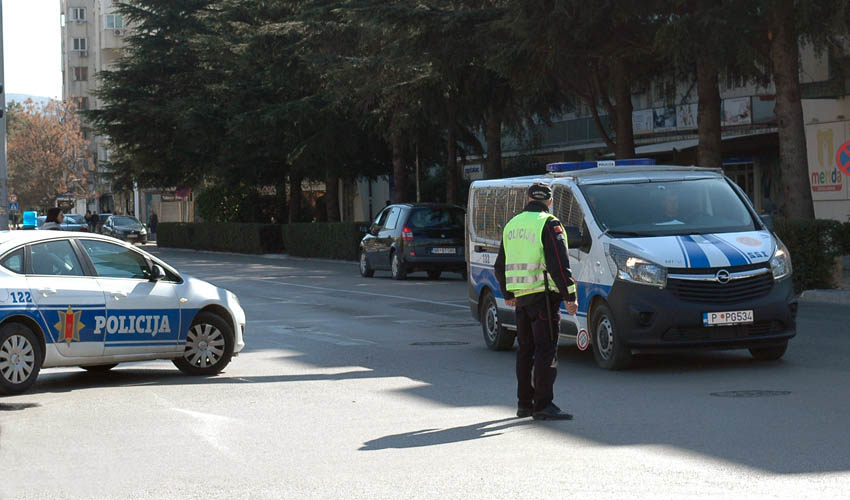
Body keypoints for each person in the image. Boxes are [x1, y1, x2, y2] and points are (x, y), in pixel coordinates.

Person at [495, 183, 578, 421]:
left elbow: (499, 266)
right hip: (543, 298)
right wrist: (570, 296)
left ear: (527, 198)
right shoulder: (549, 223)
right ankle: (543, 404)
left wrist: (508, 294)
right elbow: (559, 265)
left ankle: (524, 403)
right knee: (546, 350)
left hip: (522, 299)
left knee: (526, 351)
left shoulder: (512, 225)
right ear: (550, 202)